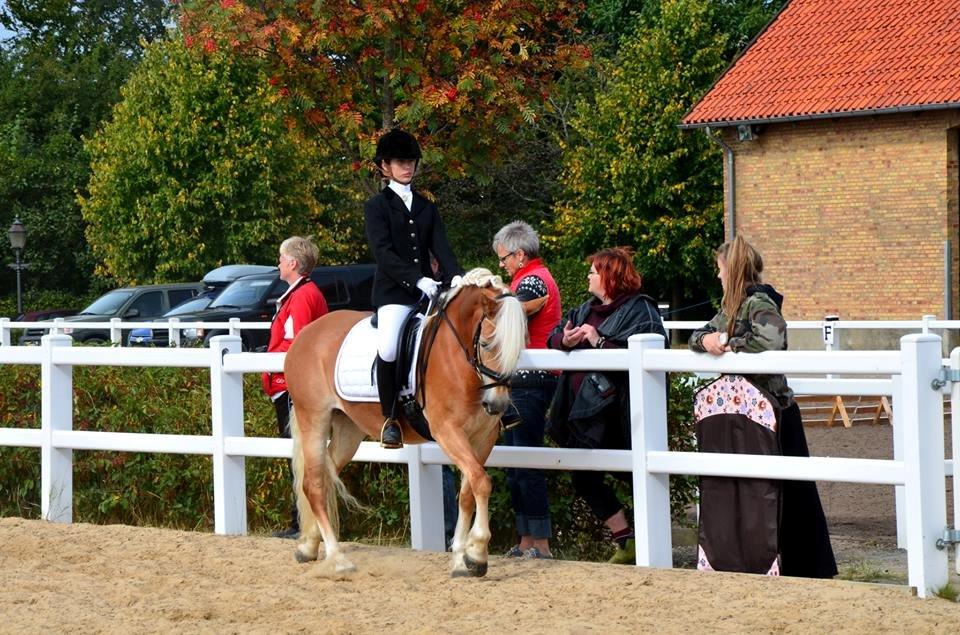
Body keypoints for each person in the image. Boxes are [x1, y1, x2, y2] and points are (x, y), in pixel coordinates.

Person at [689, 235, 837, 578]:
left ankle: (805, 566)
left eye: (720, 269)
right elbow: (700, 334)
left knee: (790, 495)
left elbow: (773, 342)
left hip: (775, 414)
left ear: (733, 269)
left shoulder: (759, 304)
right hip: (749, 414)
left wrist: (729, 344)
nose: (718, 276)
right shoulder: (731, 307)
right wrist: (707, 341)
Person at [546, 247, 666, 564]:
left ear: (609, 276)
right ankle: (625, 541)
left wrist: (599, 341)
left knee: (635, 474)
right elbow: (554, 336)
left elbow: (651, 348)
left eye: (593, 271)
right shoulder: (585, 308)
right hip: (581, 413)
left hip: (621, 412)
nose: (588, 275)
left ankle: (653, 542)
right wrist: (567, 340)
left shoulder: (641, 309)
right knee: (583, 475)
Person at [364, 128, 462, 448]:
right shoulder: (376, 206)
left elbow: (441, 247)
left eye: (411, 162)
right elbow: (384, 253)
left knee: (460, 331)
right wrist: (415, 278)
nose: (407, 167)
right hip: (395, 293)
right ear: (385, 166)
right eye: (400, 162)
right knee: (389, 347)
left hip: (427, 292)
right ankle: (390, 418)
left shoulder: (425, 207)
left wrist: (457, 276)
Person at [493, 221, 562, 559]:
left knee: (526, 461)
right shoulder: (530, 278)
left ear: (520, 255)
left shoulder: (533, 281)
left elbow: (509, 315)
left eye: (504, 258)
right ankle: (527, 540)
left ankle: (540, 542)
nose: (501, 264)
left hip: (531, 380)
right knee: (517, 463)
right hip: (526, 380)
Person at [262, 235, 329, 538]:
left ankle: (301, 523)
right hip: (288, 383)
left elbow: (299, 343)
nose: (278, 262)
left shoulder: (301, 296)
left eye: (280, 257)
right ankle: (301, 521)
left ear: (292, 263)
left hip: (292, 385)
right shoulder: (301, 293)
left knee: (300, 454)